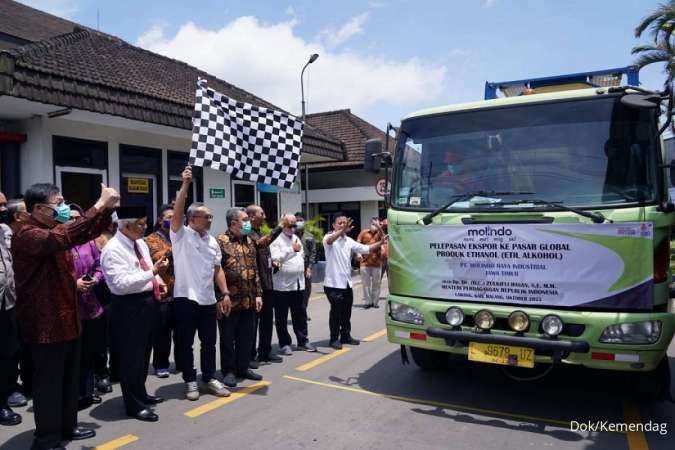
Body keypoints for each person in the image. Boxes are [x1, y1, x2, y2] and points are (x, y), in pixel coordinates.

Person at [12, 182, 118, 449]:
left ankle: (67, 427)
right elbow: (67, 235)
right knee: (49, 384)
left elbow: (86, 231)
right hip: (45, 326)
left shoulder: (52, 229)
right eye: (58, 203)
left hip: (69, 320)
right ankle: (47, 438)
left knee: (70, 380)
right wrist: (99, 204)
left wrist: (107, 209)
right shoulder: (28, 234)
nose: (63, 207)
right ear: (38, 208)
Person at [101, 206, 168, 422]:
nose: (145, 227)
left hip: (147, 302)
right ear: (127, 226)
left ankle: (141, 393)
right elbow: (121, 284)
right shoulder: (113, 249)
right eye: (141, 224)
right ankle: (134, 404)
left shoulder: (139, 243)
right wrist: (153, 273)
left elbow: (146, 268)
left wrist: (158, 280)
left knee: (143, 355)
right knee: (131, 358)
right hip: (128, 307)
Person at [171, 166, 231, 401]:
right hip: (185, 298)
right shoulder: (181, 235)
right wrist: (185, 184)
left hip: (207, 299)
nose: (210, 220)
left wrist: (224, 293)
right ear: (192, 218)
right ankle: (189, 380)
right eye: (206, 216)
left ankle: (209, 377)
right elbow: (177, 214)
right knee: (186, 343)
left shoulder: (212, 241)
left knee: (209, 342)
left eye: (211, 217)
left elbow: (217, 269)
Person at [217, 208, 264, 387]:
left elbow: (255, 269)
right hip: (229, 300)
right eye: (245, 220)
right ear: (233, 223)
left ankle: (243, 367)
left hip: (249, 299)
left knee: (246, 337)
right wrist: (220, 297)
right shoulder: (220, 241)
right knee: (228, 338)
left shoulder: (250, 240)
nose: (248, 223)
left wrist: (258, 294)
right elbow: (215, 271)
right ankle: (228, 371)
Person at [323, 214, 386, 350]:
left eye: (345, 223)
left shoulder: (348, 241)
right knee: (336, 312)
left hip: (346, 283)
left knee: (346, 312)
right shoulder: (329, 237)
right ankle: (334, 339)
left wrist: (381, 243)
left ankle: (345, 336)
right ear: (333, 225)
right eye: (340, 223)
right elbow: (330, 241)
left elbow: (366, 248)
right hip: (333, 284)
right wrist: (341, 230)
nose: (343, 225)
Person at [68, 204, 106, 411]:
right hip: (69, 308)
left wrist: (95, 279)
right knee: (75, 355)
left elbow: (99, 266)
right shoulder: (58, 244)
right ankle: (74, 395)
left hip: (91, 306)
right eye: (70, 218)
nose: (74, 221)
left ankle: (88, 391)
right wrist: (74, 284)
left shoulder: (89, 242)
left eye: (78, 218)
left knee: (90, 351)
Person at [270, 214, 316, 355]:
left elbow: (301, 255)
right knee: (281, 317)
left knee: (300, 315)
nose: (293, 228)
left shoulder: (296, 237)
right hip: (282, 286)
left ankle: (303, 341)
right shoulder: (276, 240)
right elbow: (275, 259)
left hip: (298, 284)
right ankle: (284, 343)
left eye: (294, 225)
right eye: (290, 225)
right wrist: (291, 250)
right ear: (283, 225)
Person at [246, 205, 284, 364]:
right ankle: (249, 355)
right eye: (261, 213)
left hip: (267, 283)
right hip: (255, 286)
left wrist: (272, 263)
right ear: (251, 216)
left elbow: (263, 252)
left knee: (267, 320)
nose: (265, 216)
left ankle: (265, 351)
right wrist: (280, 227)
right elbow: (261, 244)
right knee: (253, 323)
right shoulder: (247, 234)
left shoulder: (260, 232)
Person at [145, 204, 176, 378]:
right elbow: (159, 257)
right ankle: (161, 364)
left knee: (182, 332)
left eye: (175, 217)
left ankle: (182, 362)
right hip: (163, 293)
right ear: (160, 220)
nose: (173, 220)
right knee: (162, 333)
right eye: (169, 217)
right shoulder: (151, 239)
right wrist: (177, 244)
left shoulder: (179, 236)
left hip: (181, 292)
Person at [0, 191, 21, 426]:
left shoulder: (4, 231)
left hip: (7, 304)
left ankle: (4, 398)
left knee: (8, 353)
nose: (4, 210)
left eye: (5, 205)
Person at [356, 218, 386, 309]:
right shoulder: (364, 232)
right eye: (373, 224)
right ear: (370, 224)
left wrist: (378, 227)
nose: (374, 226)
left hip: (377, 263)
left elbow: (383, 238)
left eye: (376, 224)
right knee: (366, 284)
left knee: (376, 284)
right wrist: (358, 254)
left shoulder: (380, 233)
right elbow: (357, 244)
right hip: (364, 263)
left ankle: (375, 302)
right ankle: (368, 302)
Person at [294, 212, 316, 320]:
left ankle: (303, 312)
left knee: (306, 290)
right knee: (295, 290)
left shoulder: (309, 236)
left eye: (300, 220)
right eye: (297, 220)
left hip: (305, 264)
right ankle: (296, 313)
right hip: (293, 265)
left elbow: (313, 253)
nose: (299, 222)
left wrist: (309, 268)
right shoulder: (290, 236)